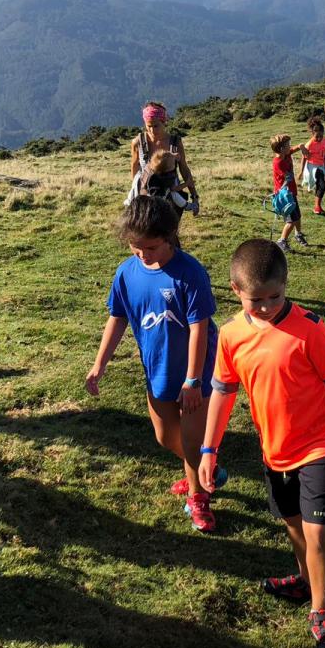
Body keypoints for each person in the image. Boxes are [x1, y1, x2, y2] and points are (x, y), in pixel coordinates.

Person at [201, 239, 325, 648]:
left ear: (286, 286)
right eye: (257, 300)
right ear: (235, 291)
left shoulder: (309, 329)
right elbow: (222, 391)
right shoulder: (232, 335)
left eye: (276, 296)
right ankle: (307, 578)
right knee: (292, 522)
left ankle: (322, 612)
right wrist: (208, 449)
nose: (268, 306)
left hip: (320, 446)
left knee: (318, 527)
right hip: (275, 450)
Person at [85, 196, 220, 532]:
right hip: (157, 368)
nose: (144, 254)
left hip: (195, 369)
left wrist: (193, 381)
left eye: (152, 247)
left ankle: (199, 496)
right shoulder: (126, 273)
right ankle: (205, 469)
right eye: (136, 247)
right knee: (164, 437)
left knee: (191, 440)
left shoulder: (190, 273)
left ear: (170, 237)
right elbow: (117, 319)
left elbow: (199, 329)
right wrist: (99, 364)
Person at [130, 102, 199, 216]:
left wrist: (194, 196)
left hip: (171, 190)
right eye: (149, 126)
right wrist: (136, 190)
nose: (152, 130)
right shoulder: (137, 142)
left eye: (156, 126)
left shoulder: (175, 143)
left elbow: (184, 169)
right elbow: (134, 167)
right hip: (146, 191)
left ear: (164, 122)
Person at [271, 134, 309, 253]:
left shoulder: (285, 154)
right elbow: (287, 176)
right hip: (284, 196)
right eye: (288, 145)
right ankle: (282, 241)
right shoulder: (278, 162)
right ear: (281, 148)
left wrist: (300, 146)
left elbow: (292, 150)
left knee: (297, 216)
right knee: (290, 221)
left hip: (291, 192)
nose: (290, 146)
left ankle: (298, 234)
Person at [301, 119, 325, 216]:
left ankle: (317, 207)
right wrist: (301, 172)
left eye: (320, 136)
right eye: (316, 136)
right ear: (312, 134)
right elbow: (304, 158)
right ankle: (317, 207)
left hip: (321, 166)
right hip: (312, 167)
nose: (319, 138)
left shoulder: (324, 141)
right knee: (323, 185)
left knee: (320, 185)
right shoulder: (309, 144)